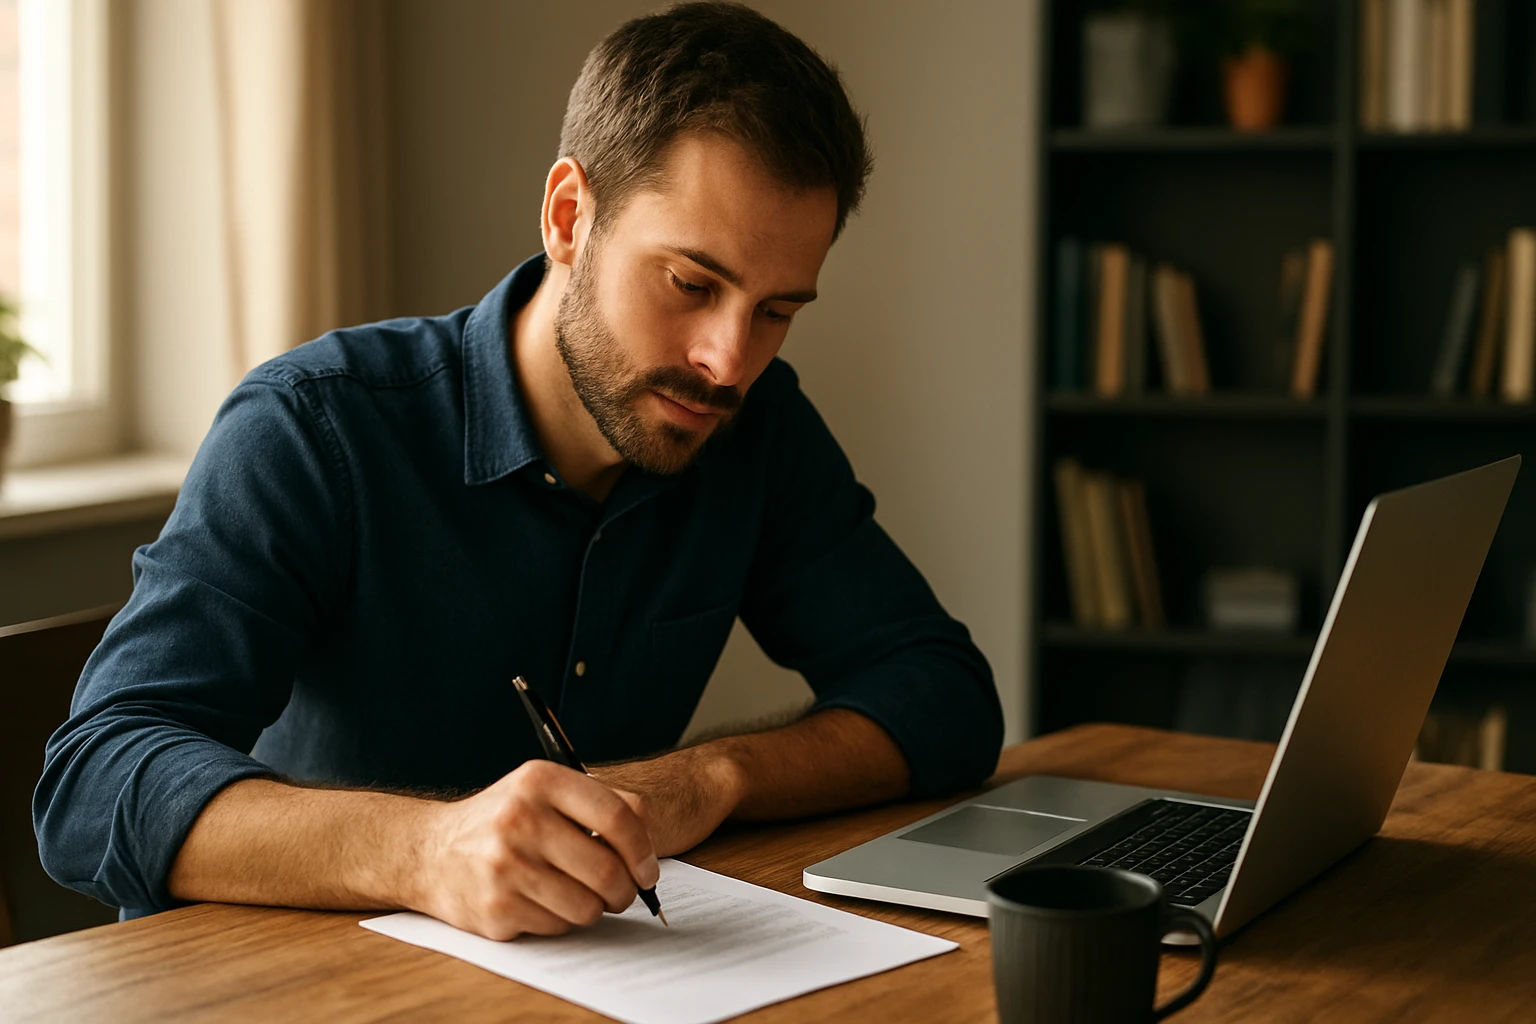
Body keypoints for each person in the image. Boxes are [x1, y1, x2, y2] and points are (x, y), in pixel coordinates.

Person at [35, 1, 1002, 941]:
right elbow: (93, 783)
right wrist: (424, 851)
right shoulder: (314, 425)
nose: (728, 359)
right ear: (570, 215)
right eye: (692, 284)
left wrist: (706, 778)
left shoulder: (752, 429)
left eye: (778, 309)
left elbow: (943, 694)